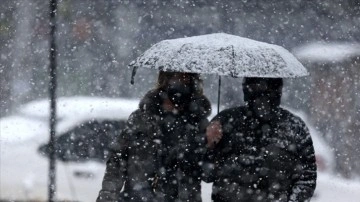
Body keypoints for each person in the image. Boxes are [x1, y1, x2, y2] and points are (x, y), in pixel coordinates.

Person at [97, 71, 211, 202]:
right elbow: (118, 160)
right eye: (177, 79)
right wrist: (108, 195)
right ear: (165, 81)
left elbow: (208, 173)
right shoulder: (142, 119)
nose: (182, 84)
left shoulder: (198, 124)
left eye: (187, 80)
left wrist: (210, 145)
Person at [202, 77, 317, 202]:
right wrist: (209, 144)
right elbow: (206, 174)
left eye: (270, 87)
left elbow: (307, 178)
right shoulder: (225, 121)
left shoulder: (294, 127)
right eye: (256, 86)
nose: (263, 94)